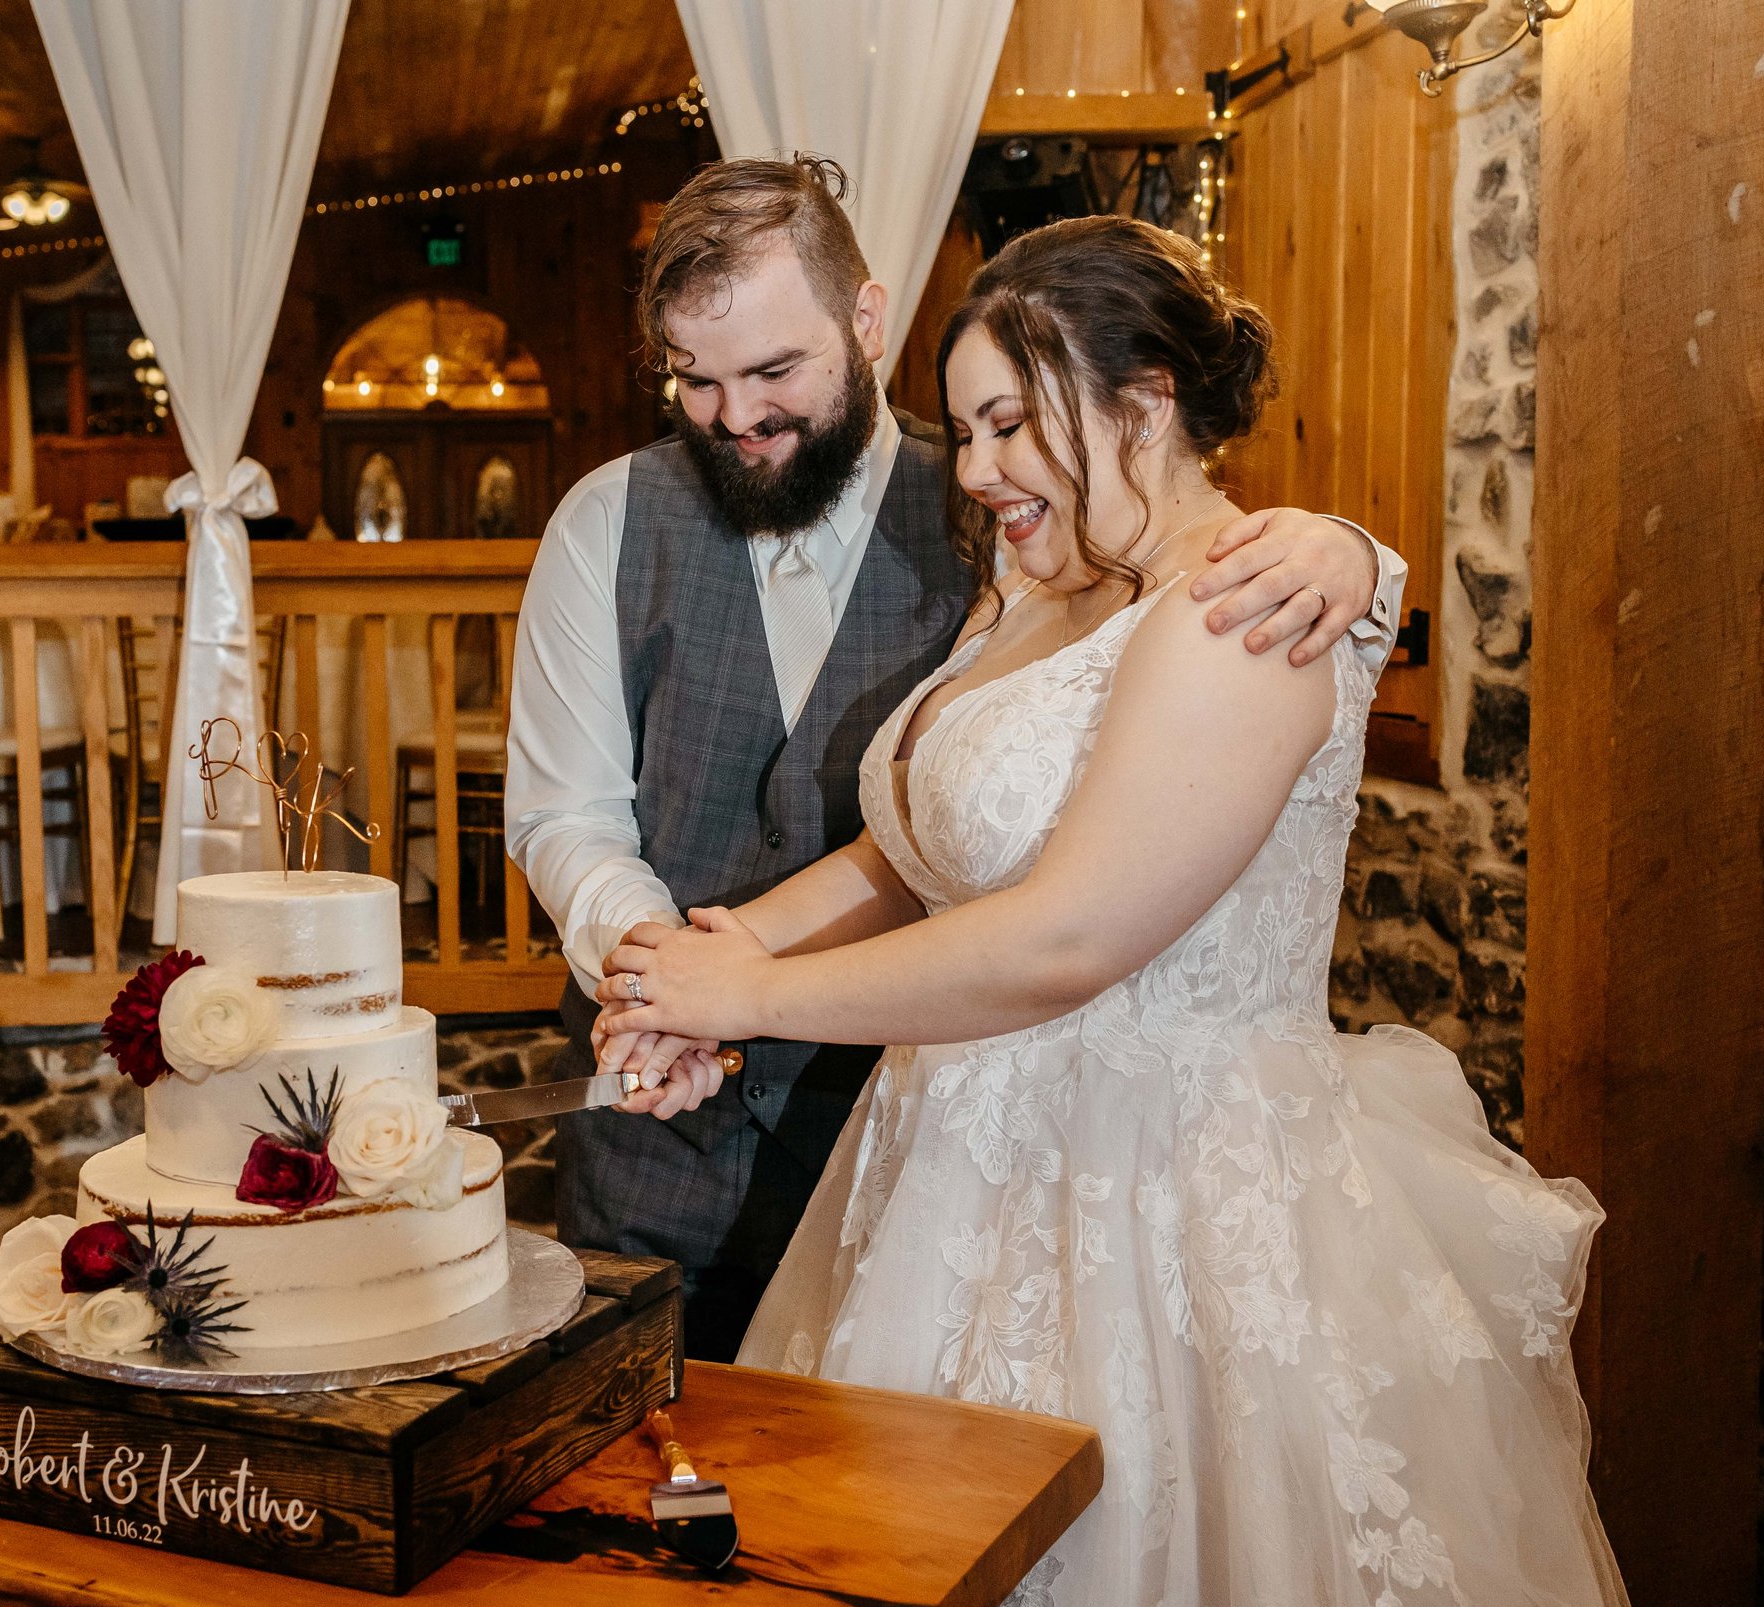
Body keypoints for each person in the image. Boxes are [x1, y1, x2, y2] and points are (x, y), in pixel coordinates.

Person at [594, 216, 1644, 1607]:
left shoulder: (1245, 609)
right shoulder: (1042, 591)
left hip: (1155, 1204)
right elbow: (910, 857)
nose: (974, 471)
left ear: (1144, 398)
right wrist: (692, 968)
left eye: (1010, 422)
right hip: (953, 1181)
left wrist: (758, 992)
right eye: (964, 429)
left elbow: (1065, 938)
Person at [506, 155, 1409, 1362]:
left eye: (775, 370)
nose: (736, 415)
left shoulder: (1020, 531)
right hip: (820, 1149)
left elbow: (1071, 929)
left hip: (1128, 1182)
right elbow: (870, 843)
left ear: (865, 321)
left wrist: (1347, 550)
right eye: (695, 381)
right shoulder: (1019, 571)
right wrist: (679, 972)